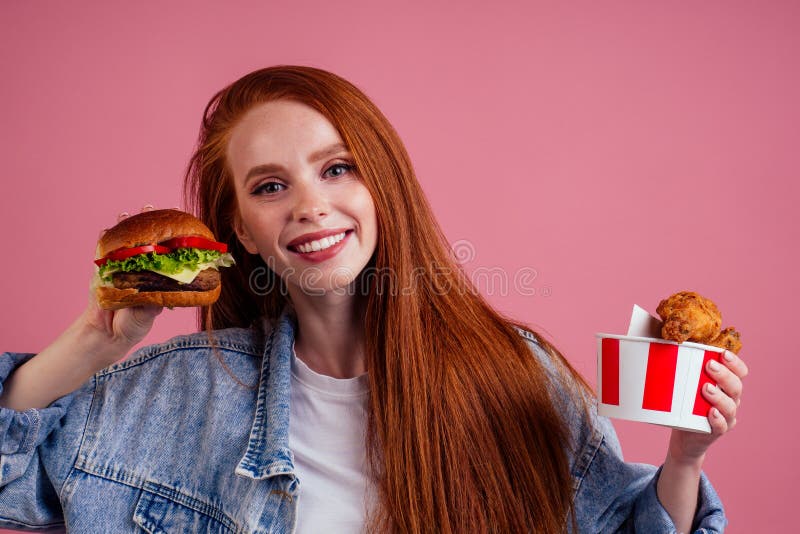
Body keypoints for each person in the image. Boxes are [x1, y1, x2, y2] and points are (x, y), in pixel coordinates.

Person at [0, 66, 747, 533]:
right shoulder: (170, 397)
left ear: (380, 185)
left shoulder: (519, 380)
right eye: (270, 187)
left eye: (337, 169)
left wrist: (684, 459)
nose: (309, 206)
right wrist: (95, 342)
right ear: (242, 234)